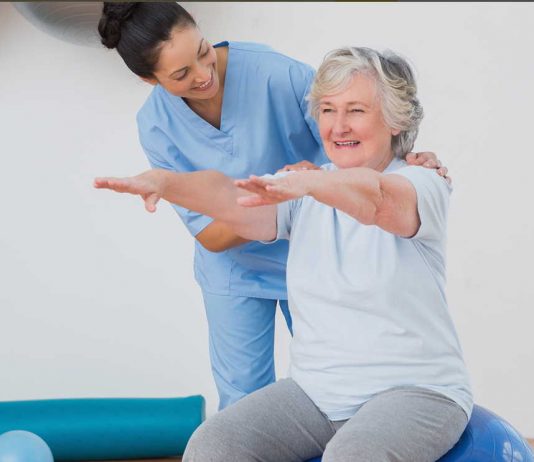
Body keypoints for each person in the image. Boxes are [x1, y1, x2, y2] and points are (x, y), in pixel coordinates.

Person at [97, 2, 448, 411]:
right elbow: (210, 234)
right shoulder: (156, 125)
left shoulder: (276, 74)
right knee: (243, 404)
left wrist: (406, 160)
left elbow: (356, 141)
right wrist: (278, 198)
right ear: (149, 79)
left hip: (319, 254)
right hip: (236, 272)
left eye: (203, 51)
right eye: (181, 74)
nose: (203, 73)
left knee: (344, 390)